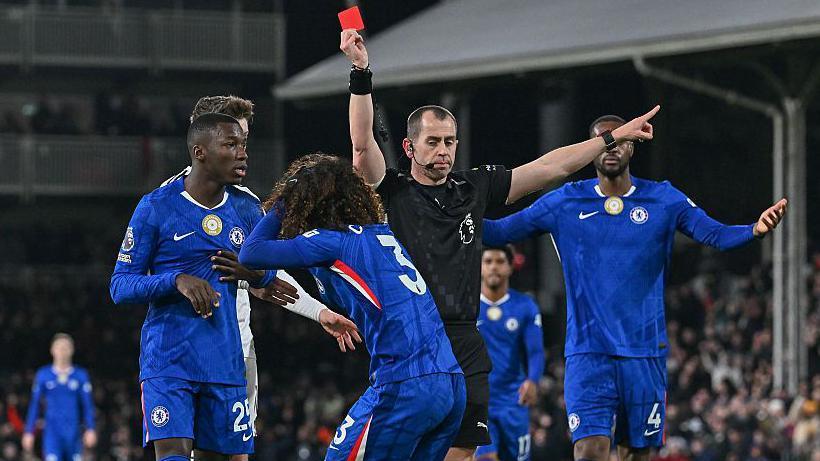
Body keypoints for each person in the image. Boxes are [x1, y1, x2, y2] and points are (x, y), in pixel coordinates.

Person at [340, 28, 659, 460]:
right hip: (411, 341)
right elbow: (362, 149)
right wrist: (360, 72)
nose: (443, 151)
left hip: (466, 343)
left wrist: (607, 139)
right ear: (408, 147)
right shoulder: (392, 190)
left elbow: (549, 167)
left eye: (450, 142)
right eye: (432, 142)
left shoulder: (473, 188)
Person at [482, 114, 788, 461]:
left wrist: (754, 230)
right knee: (589, 451)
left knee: (636, 454)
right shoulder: (565, 202)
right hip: (588, 355)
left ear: (634, 145)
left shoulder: (664, 199)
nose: (612, 148)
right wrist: (448, 209)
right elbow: (498, 232)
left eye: (621, 140)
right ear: (591, 149)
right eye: (604, 140)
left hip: (645, 354)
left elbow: (715, 234)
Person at [111, 114, 358, 461]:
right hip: (168, 360)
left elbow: (271, 275)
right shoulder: (156, 206)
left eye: (243, 145)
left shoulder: (246, 208)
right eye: (230, 145)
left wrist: (260, 277)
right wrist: (176, 280)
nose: (242, 153)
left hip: (226, 363)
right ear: (200, 152)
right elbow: (120, 286)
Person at [239, 153, 466, 460]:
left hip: (406, 383)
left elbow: (250, 253)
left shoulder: (329, 241)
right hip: (451, 383)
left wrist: (285, 201)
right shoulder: (381, 233)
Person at [475, 246, 545, 461]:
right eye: (488, 262)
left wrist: (533, 380)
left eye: (499, 262)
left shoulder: (524, 306)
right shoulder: (468, 306)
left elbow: (535, 351)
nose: (493, 267)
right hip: (479, 401)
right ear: (480, 267)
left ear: (510, 267)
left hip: (513, 401)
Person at [23, 333, 96, 461]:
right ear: (52, 350)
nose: (62, 351)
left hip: (74, 433)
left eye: (66, 347)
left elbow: (87, 405)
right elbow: (35, 404)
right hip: (52, 433)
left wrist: (91, 428)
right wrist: (29, 431)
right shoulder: (43, 375)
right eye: (59, 347)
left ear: (72, 350)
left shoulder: (80, 375)